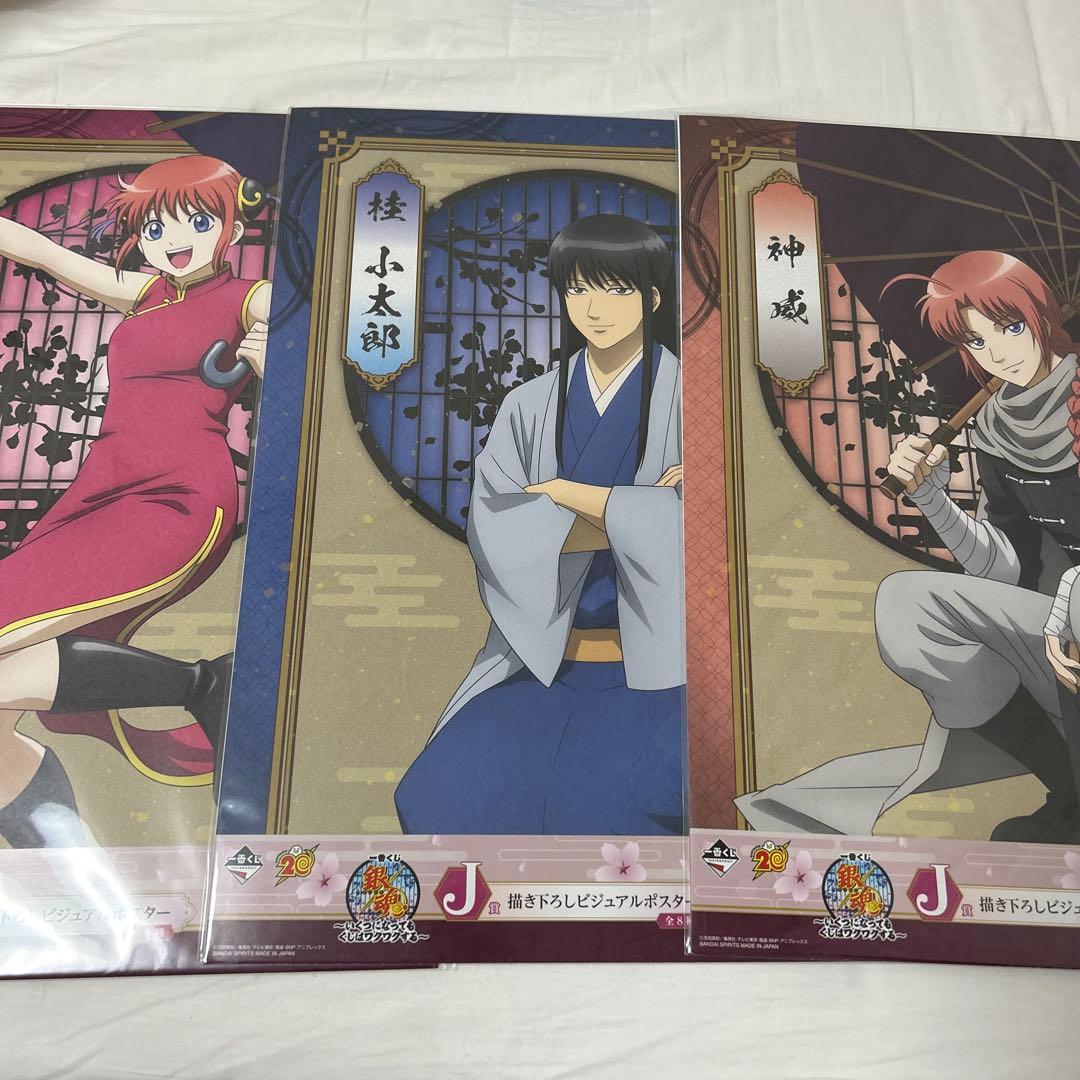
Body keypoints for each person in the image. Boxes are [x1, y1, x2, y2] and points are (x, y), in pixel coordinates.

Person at [737, 251, 1080, 844]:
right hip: (1059, 629)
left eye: (1009, 327)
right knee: (906, 606)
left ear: (1041, 315)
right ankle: (1068, 793)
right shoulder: (993, 428)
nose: (997, 353)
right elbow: (1007, 567)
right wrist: (933, 498)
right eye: (976, 340)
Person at [0, 155, 270, 847]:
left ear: (232, 226)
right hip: (98, 490)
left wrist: (275, 356)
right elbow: (42, 251)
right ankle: (63, 858)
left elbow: (320, 339)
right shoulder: (146, 293)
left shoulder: (253, 297)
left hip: (175, 495)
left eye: (197, 221)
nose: (174, 239)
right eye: (155, 227)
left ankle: (197, 687)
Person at [395, 214, 685, 835]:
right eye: (578, 289)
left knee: (624, 813)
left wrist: (566, 497)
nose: (594, 309)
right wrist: (637, 512)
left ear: (653, 299)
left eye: (617, 290)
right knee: (439, 794)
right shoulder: (527, 405)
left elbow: (700, 534)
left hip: (659, 673)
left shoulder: (693, 402)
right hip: (541, 661)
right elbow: (498, 528)